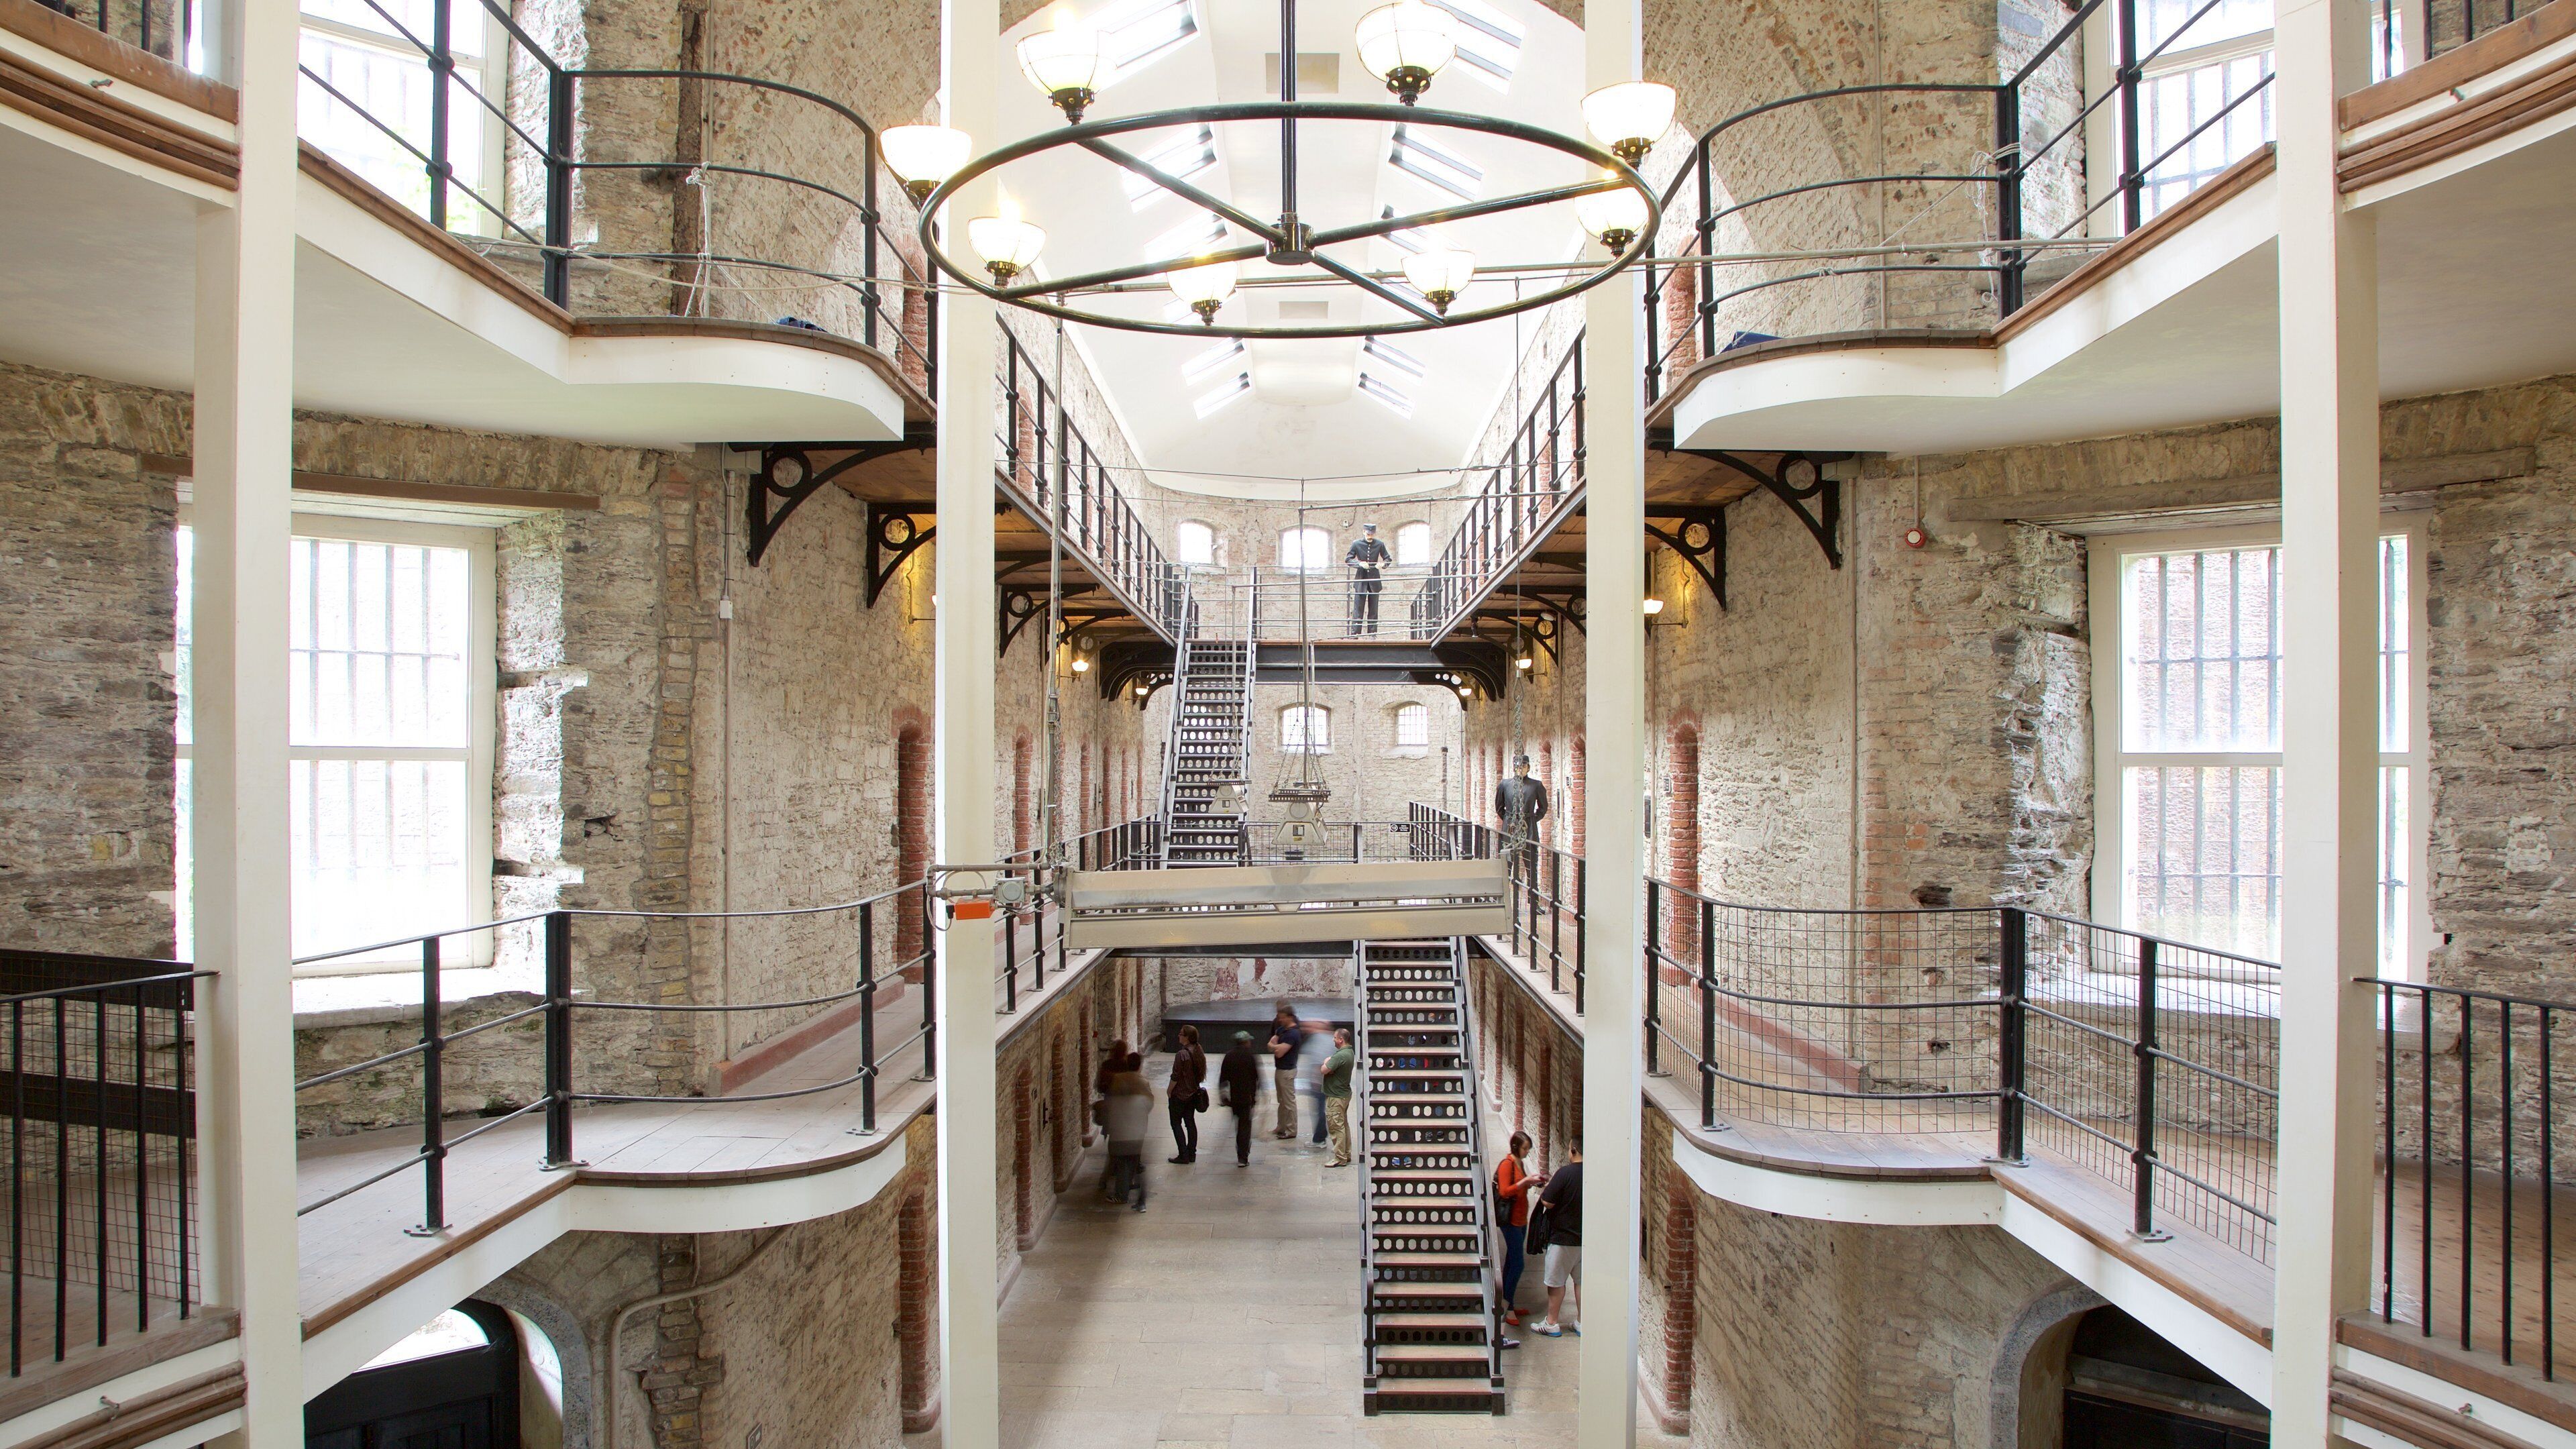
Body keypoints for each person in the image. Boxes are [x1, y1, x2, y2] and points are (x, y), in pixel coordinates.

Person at [1532, 1140, 1583, 1337]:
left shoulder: (1565, 1173)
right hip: (1586, 1239)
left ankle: (1552, 1322)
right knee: (1581, 1282)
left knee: (1556, 1282)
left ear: (1574, 1150)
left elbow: (1548, 1202)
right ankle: (1582, 1322)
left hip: (1563, 1238)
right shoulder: (1595, 1173)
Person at [1493, 1132, 1542, 1324]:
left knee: (1512, 1262)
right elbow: (1504, 1191)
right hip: (1511, 1221)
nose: (1527, 1152)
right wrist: (1525, 1182)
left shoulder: (1519, 1163)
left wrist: (1531, 1182)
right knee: (1518, 1263)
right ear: (1515, 1147)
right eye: (1524, 1148)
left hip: (1521, 1220)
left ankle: (1508, 1303)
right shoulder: (1507, 1164)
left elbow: (1519, 1187)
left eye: (1528, 1149)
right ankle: (1507, 1307)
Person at [1102, 1053, 1155, 1212]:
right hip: (1137, 1128)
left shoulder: (1118, 1080)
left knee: (1122, 1161)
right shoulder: (1143, 1083)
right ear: (1139, 1065)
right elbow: (1149, 1103)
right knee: (1133, 1161)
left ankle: (1122, 1194)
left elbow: (1110, 1101)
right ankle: (1138, 1197)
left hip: (1121, 1128)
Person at [1220, 1030, 1264, 1167]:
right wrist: (1258, 1095)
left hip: (1234, 1097)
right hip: (1247, 1098)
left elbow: (1223, 1079)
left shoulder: (1229, 1056)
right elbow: (1257, 1077)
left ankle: (1242, 1151)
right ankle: (1243, 1156)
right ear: (1246, 1042)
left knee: (1239, 1125)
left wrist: (1224, 1095)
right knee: (1245, 1127)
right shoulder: (1251, 1056)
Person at [1166, 1024, 1205, 1164]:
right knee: (1190, 1123)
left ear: (1187, 1037)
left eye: (1181, 1034)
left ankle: (1183, 1154)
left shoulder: (1181, 1055)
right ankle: (1191, 1153)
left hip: (1180, 1095)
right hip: (1192, 1094)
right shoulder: (1198, 1050)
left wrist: (1169, 1091)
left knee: (1176, 1123)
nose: (1179, 1036)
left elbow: (1175, 1076)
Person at [1345, 522, 1391, 635]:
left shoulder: (1380, 544)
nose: (1370, 536)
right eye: (1368, 534)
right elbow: (1348, 559)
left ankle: (1372, 634)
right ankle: (1355, 635)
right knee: (1358, 609)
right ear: (1364, 532)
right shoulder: (1356, 544)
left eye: (1372, 534)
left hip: (1374, 580)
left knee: (1373, 610)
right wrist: (1359, 563)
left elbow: (1388, 559)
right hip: (1361, 579)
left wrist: (1382, 564)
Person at [1266, 1003, 1304, 1140]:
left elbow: (1279, 1053)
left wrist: (1273, 1046)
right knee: (1282, 1101)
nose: (1279, 1020)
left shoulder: (1293, 1034)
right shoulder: (1282, 1030)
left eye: (1282, 1018)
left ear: (1289, 1017)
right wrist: (1274, 1046)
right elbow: (1271, 1046)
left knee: (1289, 1102)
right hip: (1280, 1070)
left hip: (1287, 1072)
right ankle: (1281, 1127)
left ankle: (1291, 1130)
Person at [1320, 1028, 1356, 1168]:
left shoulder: (1340, 1056)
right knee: (1343, 1125)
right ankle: (1346, 1153)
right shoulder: (1349, 1052)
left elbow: (1324, 1069)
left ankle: (1340, 1157)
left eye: (1335, 1038)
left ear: (1341, 1039)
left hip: (1336, 1097)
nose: (1333, 1040)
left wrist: (1326, 1061)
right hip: (1343, 1095)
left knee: (1336, 1127)